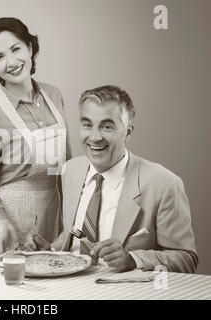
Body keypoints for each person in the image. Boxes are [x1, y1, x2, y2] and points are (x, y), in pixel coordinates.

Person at [23, 85, 198, 273]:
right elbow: (74, 237)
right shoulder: (70, 171)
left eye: (107, 127)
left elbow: (186, 259)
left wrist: (133, 259)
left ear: (128, 132)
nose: (95, 137)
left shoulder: (164, 184)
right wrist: (50, 252)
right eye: (87, 125)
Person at [0, 17, 71, 257]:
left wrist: (71, 224)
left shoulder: (54, 96)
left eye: (16, 49)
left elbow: (67, 168)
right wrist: (3, 223)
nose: (11, 62)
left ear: (30, 47)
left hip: (49, 227)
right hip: (4, 233)